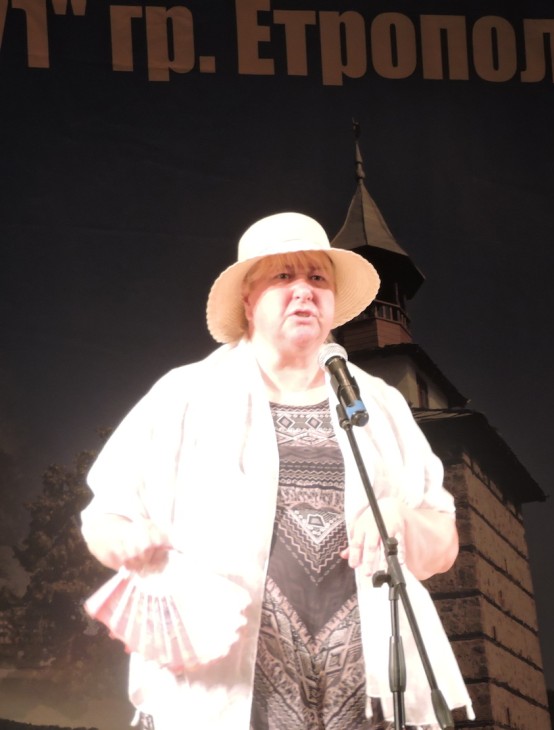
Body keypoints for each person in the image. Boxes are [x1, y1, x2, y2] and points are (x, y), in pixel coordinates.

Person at [81, 212, 472, 729]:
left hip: (369, 704)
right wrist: (128, 540)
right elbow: (104, 520)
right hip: (218, 695)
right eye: (283, 276)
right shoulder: (185, 394)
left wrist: (399, 516)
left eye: (318, 278)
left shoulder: (379, 405)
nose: (304, 290)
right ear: (248, 301)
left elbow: (443, 543)